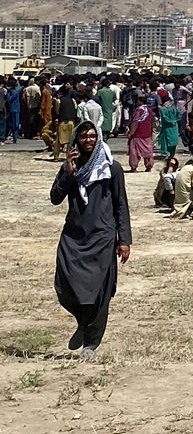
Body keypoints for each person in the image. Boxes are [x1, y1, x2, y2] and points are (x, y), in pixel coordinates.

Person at [50, 121, 131, 358]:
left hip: (103, 237)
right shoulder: (71, 167)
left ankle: (91, 342)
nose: (88, 140)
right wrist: (68, 172)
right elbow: (55, 198)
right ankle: (82, 323)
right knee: (65, 286)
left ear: (98, 138)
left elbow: (120, 204)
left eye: (92, 136)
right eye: (84, 136)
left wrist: (124, 238)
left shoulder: (111, 168)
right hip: (74, 236)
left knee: (99, 292)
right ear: (77, 139)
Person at [126, 96, 154, 172]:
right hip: (147, 133)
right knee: (147, 150)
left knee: (134, 151)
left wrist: (131, 132)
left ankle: (133, 166)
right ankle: (149, 165)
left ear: (141, 101)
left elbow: (135, 122)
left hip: (137, 134)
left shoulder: (139, 111)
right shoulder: (149, 110)